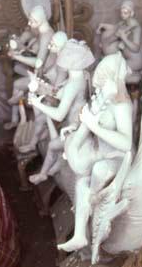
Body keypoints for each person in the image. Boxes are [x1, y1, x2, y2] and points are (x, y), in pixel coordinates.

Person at [59, 52, 133, 253]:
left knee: (97, 170)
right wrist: (76, 127)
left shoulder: (122, 106)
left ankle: (95, 211)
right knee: (81, 180)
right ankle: (80, 236)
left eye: (103, 81)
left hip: (116, 157)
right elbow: (90, 123)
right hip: (100, 151)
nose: (99, 86)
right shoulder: (106, 100)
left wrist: (95, 127)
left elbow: (126, 143)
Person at [27, 39, 95, 184]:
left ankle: (45, 173)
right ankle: (46, 173)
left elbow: (59, 115)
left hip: (76, 127)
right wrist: (42, 87)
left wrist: (37, 104)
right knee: (53, 146)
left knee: (53, 146)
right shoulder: (82, 75)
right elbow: (59, 94)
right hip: (78, 123)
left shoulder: (73, 84)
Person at [5, 5, 54, 130]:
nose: (29, 22)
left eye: (32, 20)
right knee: (17, 74)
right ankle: (17, 112)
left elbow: (39, 62)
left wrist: (16, 57)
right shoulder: (41, 32)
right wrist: (20, 52)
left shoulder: (46, 35)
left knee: (17, 84)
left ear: (40, 21)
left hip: (46, 77)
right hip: (40, 72)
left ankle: (17, 115)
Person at [96, 0, 142, 83]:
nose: (122, 15)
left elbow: (136, 48)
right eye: (121, 12)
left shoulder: (135, 26)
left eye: (125, 13)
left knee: (115, 72)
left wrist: (124, 38)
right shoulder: (124, 22)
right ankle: (132, 72)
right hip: (127, 56)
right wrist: (103, 25)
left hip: (135, 60)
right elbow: (115, 27)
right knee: (114, 67)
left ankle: (135, 75)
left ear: (131, 13)